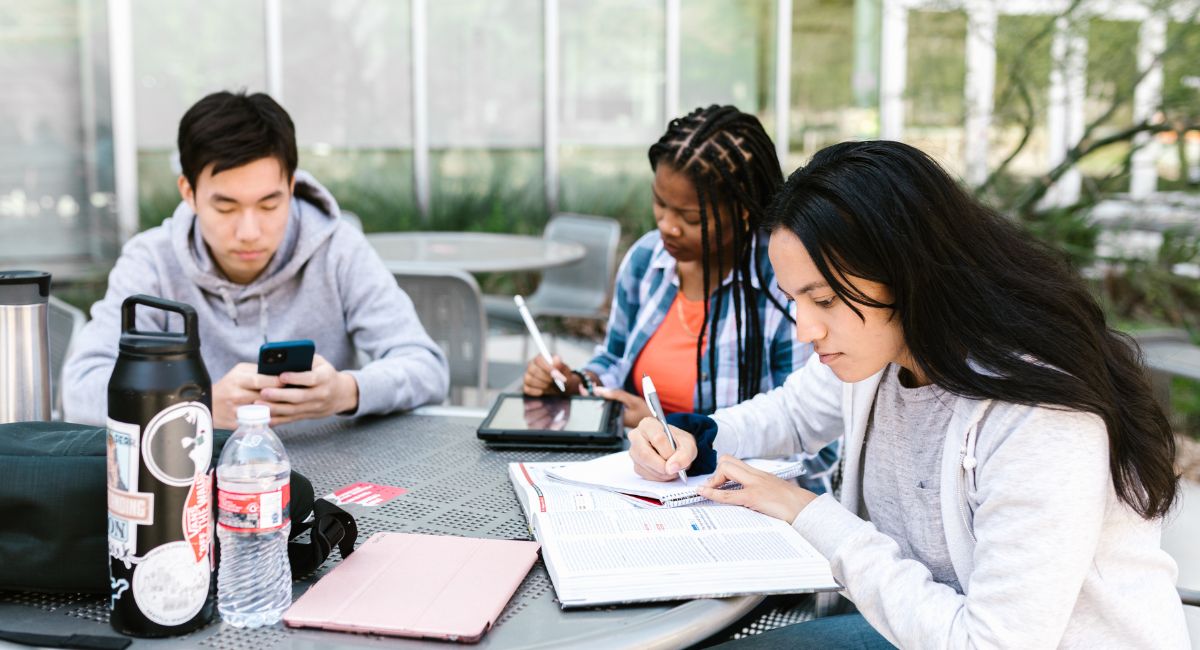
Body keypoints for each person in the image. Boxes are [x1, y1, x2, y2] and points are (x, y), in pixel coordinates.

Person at [629, 140, 1189, 648]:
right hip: (918, 631)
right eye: (794, 299)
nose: (805, 329)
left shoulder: (1038, 416)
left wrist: (809, 514)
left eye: (823, 300)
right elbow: (794, 414)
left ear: (906, 271)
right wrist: (692, 435)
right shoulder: (885, 347)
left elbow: (989, 645)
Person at [63, 91, 449, 429]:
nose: (249, 231)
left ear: (292, 186)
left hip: (333, 479)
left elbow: (427, 367)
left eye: (269, 204)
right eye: (226, 207)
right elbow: (80, 388)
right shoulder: (152, 262)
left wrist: (346, 392)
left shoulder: (338, 249)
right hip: (194, 482)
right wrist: (198, 406)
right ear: (189, 192)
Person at [522, 104, 837, 491]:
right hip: (643, 483)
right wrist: (579, 384)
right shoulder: (646, 261)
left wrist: (676, 429)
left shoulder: (783, 283)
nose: (667, 226)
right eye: (660, 204)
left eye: (689, 217)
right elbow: (615, 358)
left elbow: (811, 437)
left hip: (745, 502)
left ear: (741, 211)